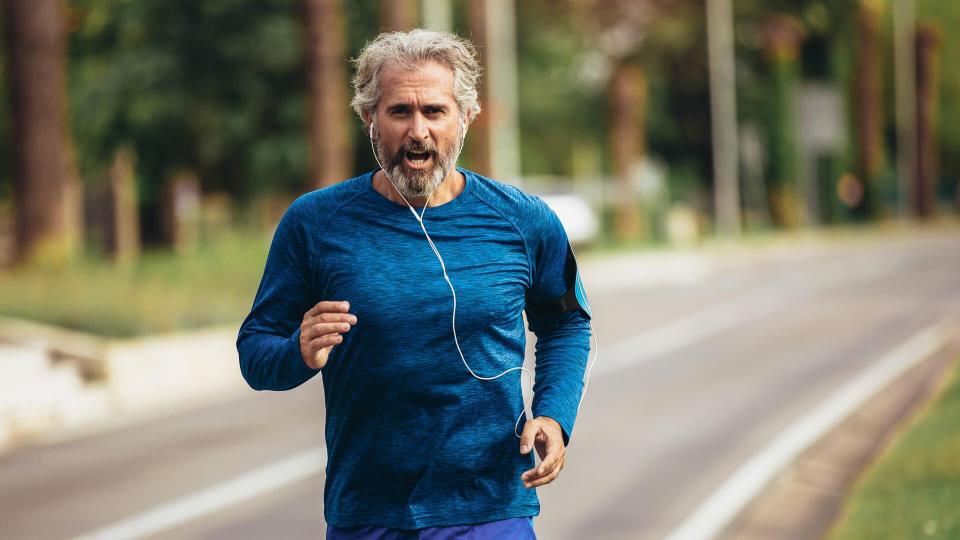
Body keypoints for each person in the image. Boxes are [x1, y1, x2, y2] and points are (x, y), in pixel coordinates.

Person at [237, 29, 593, 539]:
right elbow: (254, 352)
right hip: (368, 515)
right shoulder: (315, 224)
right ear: (369, 119)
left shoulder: (523, 221)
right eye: (399, 111)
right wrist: (298, 351)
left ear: (466, 117)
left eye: (434, 111)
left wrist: (554, 417)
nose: (418, 130)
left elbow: (566, 325)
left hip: (490, 508)